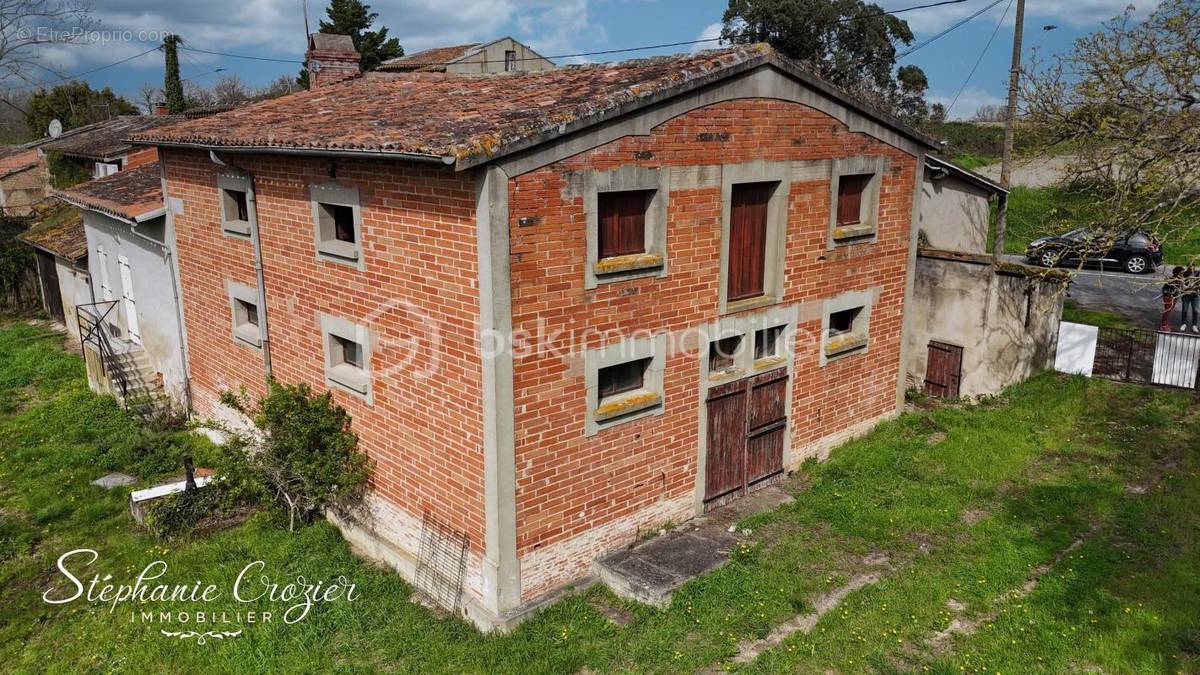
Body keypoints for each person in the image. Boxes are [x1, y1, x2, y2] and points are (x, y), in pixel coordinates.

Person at [1162, 266, 1185, 332]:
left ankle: (1166, 324)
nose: (1182, 274)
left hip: (1174, 297)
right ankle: (1163, 326)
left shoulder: (1179, 279)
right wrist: (1170, 294)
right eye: (1181, 273)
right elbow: (1164, 289)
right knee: (1167, 311)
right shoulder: (1172, 279)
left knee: (1169, 311)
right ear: (1177, 272)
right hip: (1169, 297)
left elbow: (1181, 288)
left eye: (1183, 273)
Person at [1181, 262, 1199, 333]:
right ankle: (1184, 323)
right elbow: (1182, 285)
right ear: (1187, 267)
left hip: (1195, 295)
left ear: (1194, 267)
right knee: (1184, 310)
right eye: (1189, 267)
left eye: (1192, 267)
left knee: (1195, 311)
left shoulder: (1197, 273)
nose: (1191, 268)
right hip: (1186, 295)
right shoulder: (1184, 274)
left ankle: (1194, 325)